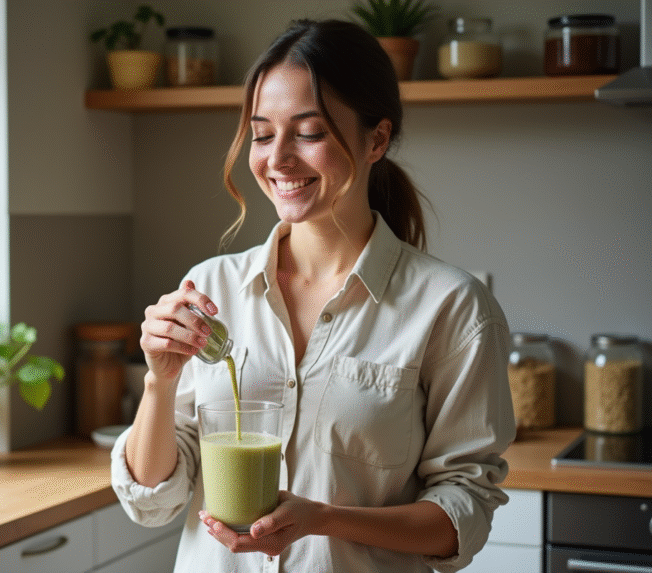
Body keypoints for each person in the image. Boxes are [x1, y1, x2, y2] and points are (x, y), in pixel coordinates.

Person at [110, 18, 515, 573]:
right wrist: (160, 379)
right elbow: (153, 500)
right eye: (261, 133)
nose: (277, 159)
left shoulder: (451, 309)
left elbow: (463, 515)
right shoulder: (212, 290)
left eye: (308, 132)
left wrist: (324, 520)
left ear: (375, 139)